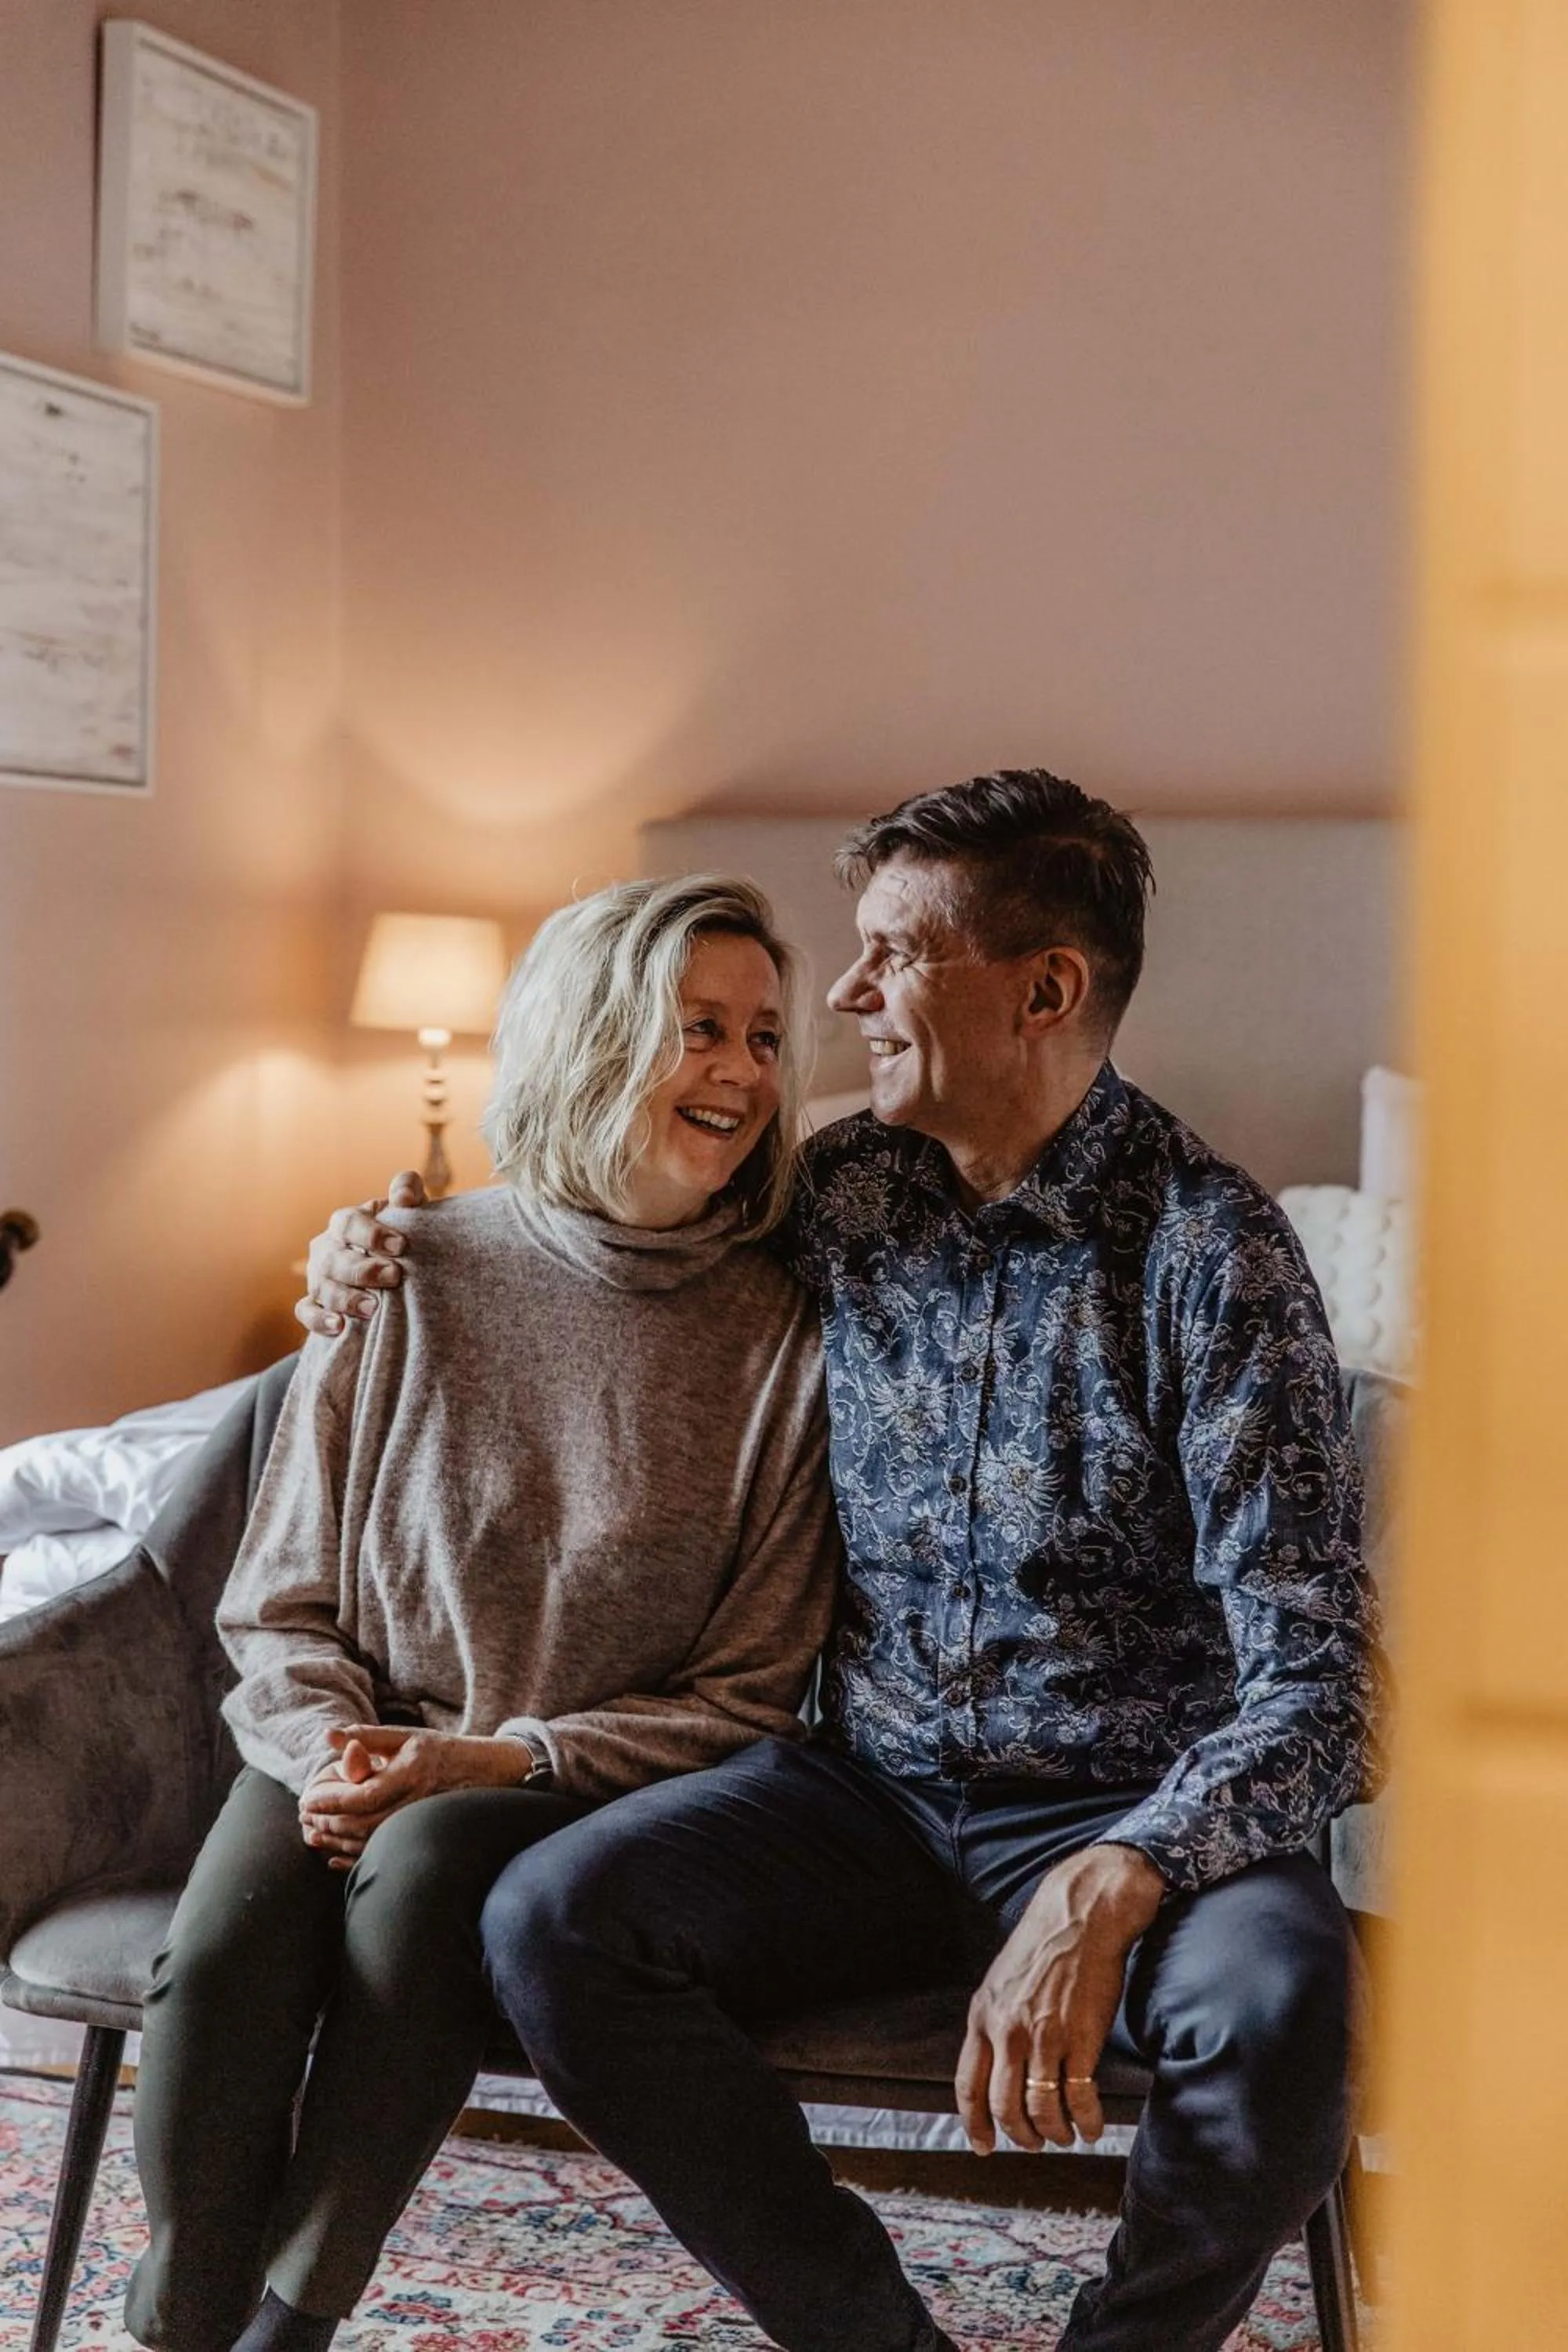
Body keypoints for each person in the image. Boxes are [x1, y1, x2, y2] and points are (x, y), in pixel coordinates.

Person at [299, 770, 1381, 2352]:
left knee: (1286, 2006)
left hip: (1132, 1806)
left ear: (1045, 990)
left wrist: (1113, 1878)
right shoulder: (835, 1189)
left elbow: (1324, 1681)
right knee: (553, 1920)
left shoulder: (1215, 1258)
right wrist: (385, 1248)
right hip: (861, 1791)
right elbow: (607, 1245)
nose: (848, 994)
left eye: (890, 952)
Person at [126, 875, 839, 2352]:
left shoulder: (788, 1339)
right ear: (592, 1037)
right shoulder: (406, 1268)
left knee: (428, 1870)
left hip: (556, 1778)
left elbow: (752, 1689)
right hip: (351, 1744)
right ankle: (176, 2326)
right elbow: (281, 1594)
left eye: (765, 1037)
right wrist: (332, 1747)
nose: (745, 1072)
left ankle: (289, 2321)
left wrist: (495, 1756)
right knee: (225, 1948)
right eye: (699, 1027)